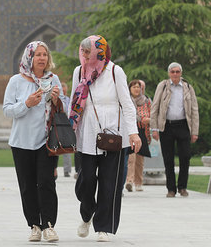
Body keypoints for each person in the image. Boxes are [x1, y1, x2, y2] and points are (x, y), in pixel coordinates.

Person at [69, 35, 141, 242]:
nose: (83, 55)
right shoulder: (79, 71)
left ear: (98, 51)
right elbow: (74, 101)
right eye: (82, 51)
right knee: (86, 180)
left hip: (114, 135)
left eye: (87, 51)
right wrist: (70, 131)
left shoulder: (115, 71)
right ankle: (87, 213)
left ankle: (103, 227)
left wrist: (133, 132)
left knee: (110, 183)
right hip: (86, 134)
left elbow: (127, 104)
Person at [3, 41, 64, 242]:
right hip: (22, 142)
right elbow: (7, 110)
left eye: (44, 54)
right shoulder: (16, 81)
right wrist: (26, 104)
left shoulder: (53, 79)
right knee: (28, 185)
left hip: (46, 142)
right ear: (29, 58)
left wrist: (57, 100)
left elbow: (64, 109)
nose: (42, 58)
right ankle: (34, 225)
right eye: (37, 55)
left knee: (46, 183)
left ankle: (49, 225)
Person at [150, 62, 199, 198]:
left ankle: (182, 187)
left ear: (181, 73)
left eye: (177, 71)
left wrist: (194, 131)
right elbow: (155, 107)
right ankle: (171, 189)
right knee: (168, 158)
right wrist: (154, 128)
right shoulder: (163, 86)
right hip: (167, 126)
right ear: (169, 73)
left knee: (185, 157)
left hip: (183, 125)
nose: (175, 74)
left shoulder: (187, 87)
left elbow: (194, 109)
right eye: (173, 72)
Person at [125, 80, 152, 192]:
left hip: (143, 131)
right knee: (131, 157)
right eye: (134, 87)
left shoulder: (146, 101)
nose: (136, 89)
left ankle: (139, 182)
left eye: (138, 87)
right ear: (129, 89)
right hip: (130, 130)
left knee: (140, 158)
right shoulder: (126, 100)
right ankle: (129, 181)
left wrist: (149, 120)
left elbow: (153, 114)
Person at [60, 82, 72, 177]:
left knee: (67, 149)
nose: (63, 91)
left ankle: (67, 170)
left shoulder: (69, 100)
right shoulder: (57, 100)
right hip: (58, 125)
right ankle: (53, 169)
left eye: (64, 89)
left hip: (67, 127)